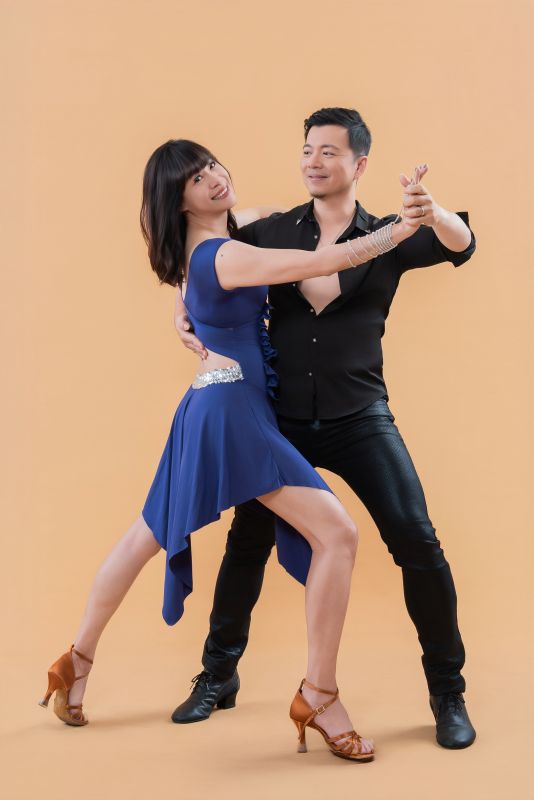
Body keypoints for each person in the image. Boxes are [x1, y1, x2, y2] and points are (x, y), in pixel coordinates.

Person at [38, 136, 422, 762]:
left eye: (212, 165)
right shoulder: (225, 255)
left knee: (146, 534)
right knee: (337, 535)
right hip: (233, 412)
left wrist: (181, 306)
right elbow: (322, 261)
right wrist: (398, 231)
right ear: (178, 201)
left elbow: (264, 218)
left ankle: (73, 664)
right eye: (196, 180)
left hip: (210, 402)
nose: (215, 178)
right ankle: (320, 695)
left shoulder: (215, 241)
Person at [172, 107, 477, 750]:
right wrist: (181, 309)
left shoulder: (391, 232)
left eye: (329, 152)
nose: (314, 161)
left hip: (359, 415)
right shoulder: (271, 228)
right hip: (278, 418)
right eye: (308, 149)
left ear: (359, 164)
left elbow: (461, 243)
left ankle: (448, 692)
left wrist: (433, 210)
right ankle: (217, 675)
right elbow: (204, 258)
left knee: (417, 541)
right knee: (247, 541)